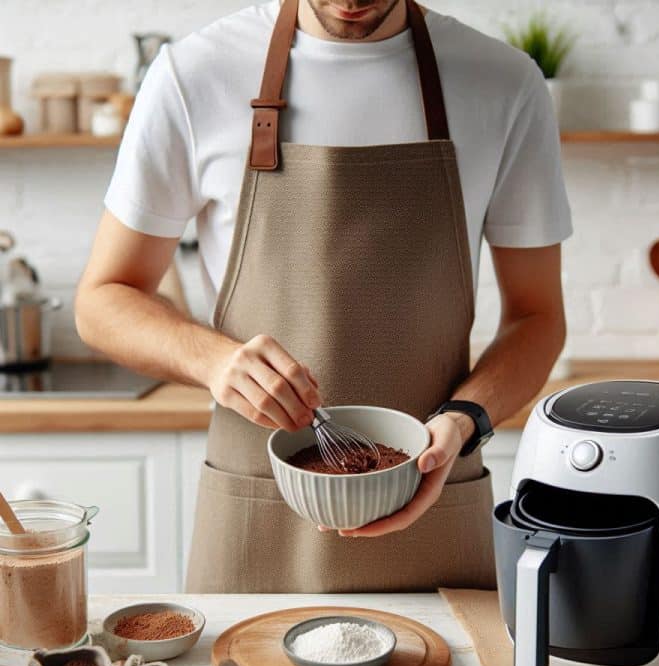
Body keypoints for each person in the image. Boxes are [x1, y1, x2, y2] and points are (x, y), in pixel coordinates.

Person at [75, 0, 572, 593]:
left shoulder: (505, 85)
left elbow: (538, 318)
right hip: (256, 517)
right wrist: (215, 362)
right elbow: (103, 299)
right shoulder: (193, 75)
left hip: (432, 504)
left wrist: (465, 421)